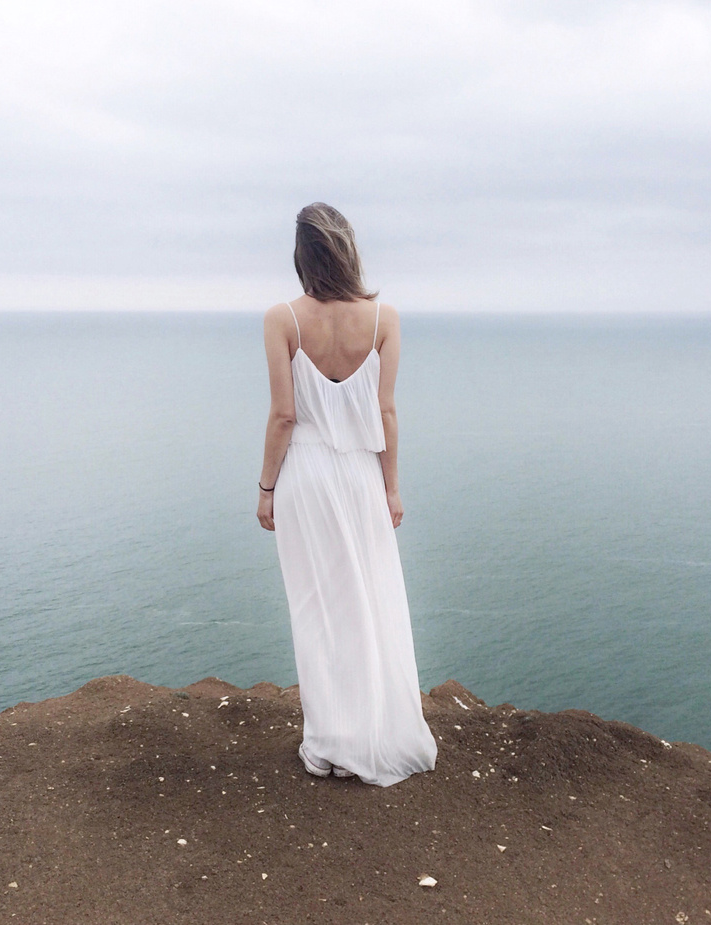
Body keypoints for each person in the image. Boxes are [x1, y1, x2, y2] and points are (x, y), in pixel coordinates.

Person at [256, 203, 437, 787]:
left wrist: (265, 489)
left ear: (301, 256)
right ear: (349, 250)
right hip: (361, 476)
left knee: (317, 609)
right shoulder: (383, 317)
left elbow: (284, 415)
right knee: (370, 602)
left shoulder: (281, 318)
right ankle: (376, 733)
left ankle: (330, 744)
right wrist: (392, 488)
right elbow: (385, 411)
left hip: (304, 478)